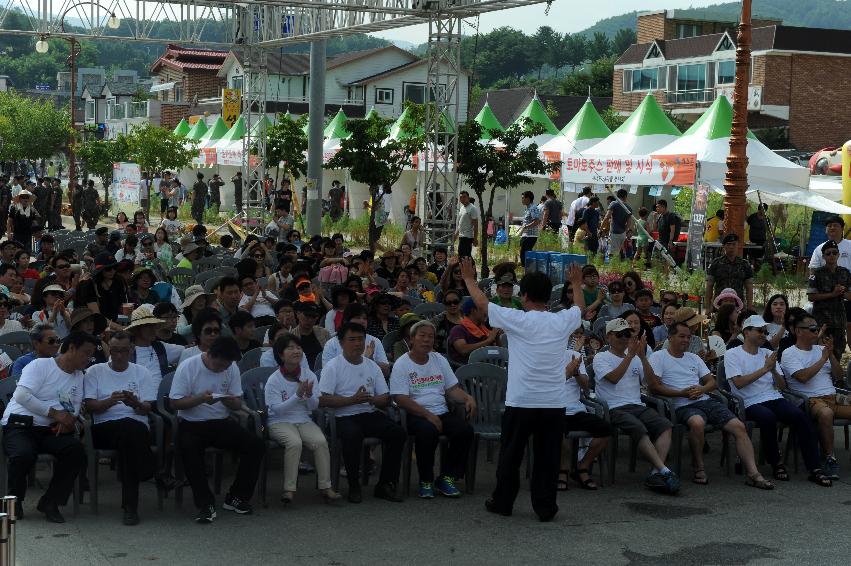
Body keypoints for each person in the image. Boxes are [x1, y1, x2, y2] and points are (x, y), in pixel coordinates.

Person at [460, 256, 585, 521]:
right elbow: (579, 310)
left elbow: (482, 304)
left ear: (524, 295)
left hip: (522, 402)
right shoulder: (561, 321)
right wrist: (576, 284)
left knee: (511, 456)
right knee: (547, 459)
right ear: (547, 297)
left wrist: (470, 279)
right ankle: (545, 508)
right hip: (553, 403)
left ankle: (503, 502)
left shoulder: (517, 319)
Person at [648, 321, 772, 489]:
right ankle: (698, 467)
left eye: (689, 337)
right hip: (679, 404)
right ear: (670, 337)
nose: (686, 340)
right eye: (681, 336)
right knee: (697, 423)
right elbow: (654, 387)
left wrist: (701, 389)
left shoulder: (694, 358)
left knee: (738, 426)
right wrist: (681, 393)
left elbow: (712, 382)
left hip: (704, 399)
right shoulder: (658, 357)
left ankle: (753, 473)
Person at [725, 316, 832, 487]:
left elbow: (782, 386)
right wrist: (765, 369)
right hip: (748, 401)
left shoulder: (767, 353)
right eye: (760, 330)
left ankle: (815, 468)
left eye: (765, 331)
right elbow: (738, 383)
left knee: (800, 416)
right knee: (768, 418)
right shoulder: (732, 353)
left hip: (773, 396)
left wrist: (774, 370)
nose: (764, 334)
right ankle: (776, 463)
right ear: (746, 332)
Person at [1, 331, 96, 522]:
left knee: (75, 450)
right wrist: (55, 413)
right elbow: (22, 396)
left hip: (51, 430)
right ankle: (15, 501)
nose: (89, 358)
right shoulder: (40, 365)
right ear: (71, 348)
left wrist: (69, 422)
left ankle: (50, 502)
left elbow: (74, 408)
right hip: (21, 425)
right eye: (86, 353)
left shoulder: (79, 376)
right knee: (23, 454)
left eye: (91, 354)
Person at [170, 336, 265, 523]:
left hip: (220, 421)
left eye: (227, 365)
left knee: (255, 445)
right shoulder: (189, 366)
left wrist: (228, 399)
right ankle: (205, 502)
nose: (223, 369)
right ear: (210, 355)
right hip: (192, 422)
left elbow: (237, 404)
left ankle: (237, 496)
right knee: (189, 449)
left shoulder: (231, 368)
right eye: (220, 365)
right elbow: (175, 403)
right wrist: (200, 399)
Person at [318, 322, 406, 504]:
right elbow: (323, 399)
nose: (357, 344)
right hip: (342, 416)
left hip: (367, 412)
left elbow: (385, 398)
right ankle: (353, 484)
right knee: (352, 434)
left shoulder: (372, 366)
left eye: (360, 339)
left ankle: (384, 484)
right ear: (341, 343)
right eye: (352, 339)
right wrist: (351, 400)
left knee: (397, 433)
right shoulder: (333, 366)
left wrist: (371, 399)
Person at [390, 320, 475, 498]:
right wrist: (427, 414)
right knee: (427, 432)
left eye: (430, 337)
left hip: (441, 411)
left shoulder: (439, 360)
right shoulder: (402, 364)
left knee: (465, 431)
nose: (426, 340)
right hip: (415, 413)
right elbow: (400, 398)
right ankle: (426, 479)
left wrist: (467, 397)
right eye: (422, 336)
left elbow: (452, 390)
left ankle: (447, 477)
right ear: (412, 339)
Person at [84, 331, 161, 525]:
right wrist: (110, 401)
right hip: (104, 428)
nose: (118, 356)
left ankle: (130, 508)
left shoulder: (141, 372)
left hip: (136, 430)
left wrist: (134, 402)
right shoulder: (96, 371)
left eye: (124, 351)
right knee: (129, 429)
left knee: (129, 442)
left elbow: (147, 410)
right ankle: (156, 473)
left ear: (131, 350)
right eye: (115, 350)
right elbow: (90, 407)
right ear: (109, 348)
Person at [593, 318, 677, 493]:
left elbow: (651, 383)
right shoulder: (601, 357)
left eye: (628, 334)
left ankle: (656, 471)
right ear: (609, 337)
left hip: (637, 404)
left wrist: (643, 357)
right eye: (620, 335)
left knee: (666, 426)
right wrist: (631, 355)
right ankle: (665, 470)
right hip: (614, 408)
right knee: (639, 428)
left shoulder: (635, 358)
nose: (625, 338)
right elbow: (613, 378)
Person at [265, 334, 341, 504]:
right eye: (290, 348)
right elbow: (276, 410)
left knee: (320, 441)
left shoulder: (309, 375)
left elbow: (314, 406)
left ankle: (325, 487)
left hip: (303, 419)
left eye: (298, 347)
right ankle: (289, 489)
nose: (296, 351)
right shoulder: (274, 379)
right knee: (294, 442)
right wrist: (297, 396)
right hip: (279, 422)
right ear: (281, 354)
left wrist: (308, 396)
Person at [781, 313, 849, 480]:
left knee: (830, 410)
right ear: (798, 331)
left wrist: (831, 355)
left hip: (833, 396)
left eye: (817, 328)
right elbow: (803, 377)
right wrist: (823, 358)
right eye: (812, 329)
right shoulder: (789, 353)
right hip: (810, 400)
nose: (817, 331)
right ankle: (829, 458)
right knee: (826, 414)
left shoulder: (821, 350)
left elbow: (839, 376)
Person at [560, 328, 612, 490]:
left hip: (575, 409)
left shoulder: (573, 356)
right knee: (556, 430)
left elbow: (585, 386)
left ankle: (582, 466)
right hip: (554, 408)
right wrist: (566, 373)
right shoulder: (542, 356)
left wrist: (576, 373)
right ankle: (562, 470)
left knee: (606, 430)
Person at [807, 239, 851, 360]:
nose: (832, 255)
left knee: (838, 352)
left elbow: (849, 296)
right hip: (822, 321)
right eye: (828, 253)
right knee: (820, 353)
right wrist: (833, 294)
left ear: (838, 254)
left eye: (834, 252)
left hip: (839, 321)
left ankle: (835, 378)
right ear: (823, 256)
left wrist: (842, 292)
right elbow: (811, 296)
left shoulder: (845, 273)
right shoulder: (816, 274)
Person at [126, 305, 184, 393]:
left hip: (160, 402)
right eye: (149, 326)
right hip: (136, 400)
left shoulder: (161, 347)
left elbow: (188, 351)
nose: (154, 329)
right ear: (137, 329)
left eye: (154, 325)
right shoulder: (124, 351)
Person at [76, 252, 128, 327]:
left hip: (116, 324)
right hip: (97, 328)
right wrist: (120, 328)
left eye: (115, 267)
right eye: (108, 269)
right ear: (100, 270)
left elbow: (123, 308)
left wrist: (125, 325)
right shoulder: (89, 285)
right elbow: (97, 316)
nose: (112, 271)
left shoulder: (118, 281)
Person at [705, 233, 754, 313]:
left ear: (738, 245)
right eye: (728, 244)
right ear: (724, 246)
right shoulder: (716, 263)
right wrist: (707, 307)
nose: (731, 247)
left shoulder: (745, 264)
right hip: (719, 306)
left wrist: (750, 307)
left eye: (734, 244)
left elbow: (749, 287)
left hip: (738, 307)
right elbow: (709, 285)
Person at [448, 297, 500, 365]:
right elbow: (463, 350)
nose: (487, 312)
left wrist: (497, 337)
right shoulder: (458, 329)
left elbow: (499, 353)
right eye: (484, 309)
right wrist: (488, 341)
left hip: (488, 367)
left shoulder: (485, 329)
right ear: (473, 310)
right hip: (468, 370)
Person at [602, 188, 633, 259]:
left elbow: (607, 217)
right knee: (617, 252)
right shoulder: (628, 208)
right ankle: (616, 268)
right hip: (622, 233)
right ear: (625, 196)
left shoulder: (614, 204)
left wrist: (601, 228)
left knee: (612, 254)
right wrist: (626, 230)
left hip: (614, 232)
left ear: (617, 196)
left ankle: (613, 268)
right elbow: (629, 223)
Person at [517, 190, 541, 268]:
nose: (522, 200)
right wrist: (522, 227)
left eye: (523, 198)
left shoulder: (533, 208)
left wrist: (526, 227)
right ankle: (526, 268)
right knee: (523, 253)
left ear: (528, 199)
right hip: (525, 234)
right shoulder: (527, 208)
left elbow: (536, 221)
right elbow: (527, 221)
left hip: (531, 235)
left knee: (524, 253)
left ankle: (527, 269)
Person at [654, 199, 682, 263]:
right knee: (655, 258)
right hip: (660, 240)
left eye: (658, 207)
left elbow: (673, 230)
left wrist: (670, 241)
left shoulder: (670, 216)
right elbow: (655, 228)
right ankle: (659, 271)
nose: (657, 208)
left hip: (666, 241)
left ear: (663, 207)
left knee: (665, 260)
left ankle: (665, 272)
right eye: (656, 207)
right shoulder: (660, 216)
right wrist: (654, 218)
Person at [455, 190, 479, 258]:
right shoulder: (462, 208)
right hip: (461, 236)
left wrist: (475, 238)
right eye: (461, 197)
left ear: (468, 198)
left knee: (465, 257)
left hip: (467, 237)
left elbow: (476, 225)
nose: (462, 199)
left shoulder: (472, 208)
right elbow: (461, 223)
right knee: (463, 256)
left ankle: (471, 268)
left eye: (464, 197)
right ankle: (470, 268)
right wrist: (456, 234)